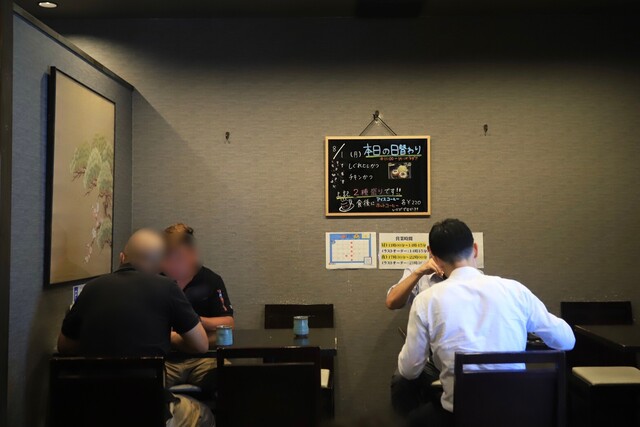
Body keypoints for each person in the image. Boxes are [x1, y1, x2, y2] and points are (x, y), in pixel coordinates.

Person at [397, 219, 575, 427]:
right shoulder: (515, 290)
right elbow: (567, 340)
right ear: (475, 249)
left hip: (460, 415)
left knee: (416, 419)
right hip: (518, 413)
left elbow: (409, 370)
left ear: (434, 257)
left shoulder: (426, 300)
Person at [57, 228, 215, 427]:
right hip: (148, 410)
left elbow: (64, 345)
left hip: (94, 409)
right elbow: (200, 344)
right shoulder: (167, 288)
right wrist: (171, 338)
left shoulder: (91, 288)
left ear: (122, 257)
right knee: (204, 414)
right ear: (159, 265)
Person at [162, 223, 234, 392]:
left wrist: (196, 322)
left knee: (229, 378)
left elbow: (228, 323)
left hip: (204, 358)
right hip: (167, 359)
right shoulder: (156, 281)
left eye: (179, 256)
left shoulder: (211, 280)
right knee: (142, 381)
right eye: (168, 255)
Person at [387, 255, 445, 417]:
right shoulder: (419, 274)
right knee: (401, 380)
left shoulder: (471, 276)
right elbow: (392, 302)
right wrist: (419, 272)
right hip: (429, 358)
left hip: (459, 355)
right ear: (430, 252)